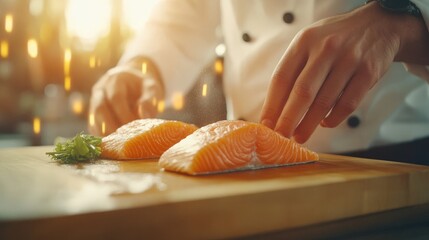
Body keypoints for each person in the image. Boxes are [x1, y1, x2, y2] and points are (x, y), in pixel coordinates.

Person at [89, 0, 429, 165]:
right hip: (250, 165)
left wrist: (404, 21)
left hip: (397, 156)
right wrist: (144, 65)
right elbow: (185, 15)